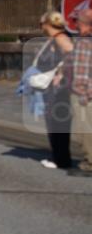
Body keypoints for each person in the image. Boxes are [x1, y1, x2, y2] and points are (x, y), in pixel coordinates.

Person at [36, 11, 73, 169]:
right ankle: (58, 156)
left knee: (57, 122)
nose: (41, 27)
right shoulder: (53, 39)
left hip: (59, 88)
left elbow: (72, 54)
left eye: (41, 23)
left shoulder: (60, 38)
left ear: (48, 24)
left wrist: (61, 72)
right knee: (53, 121)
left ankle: (61, 159)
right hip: (52, 88)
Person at [64, 5, 92, 177]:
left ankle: (90, 163)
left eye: (78, 22)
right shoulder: (82, 40)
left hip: (85, 94)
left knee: (85, 130)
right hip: (78, 91)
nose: (75, 25)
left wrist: (86, 93)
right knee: (81, 130)